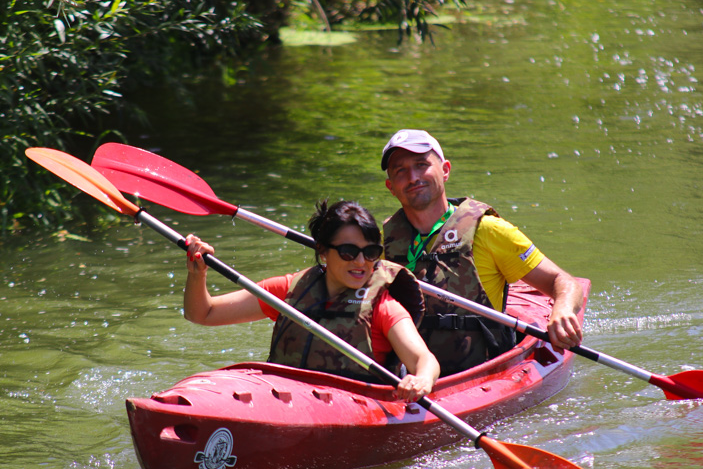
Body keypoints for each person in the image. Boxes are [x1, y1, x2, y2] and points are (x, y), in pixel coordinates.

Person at [183, 199, 441, 401]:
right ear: (323, 251)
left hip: (354, 407)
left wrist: (421, 380)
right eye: (348, 252)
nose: (361, 262)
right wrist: (198, 274)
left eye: (370, 252)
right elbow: (202, 314)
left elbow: (424, 360)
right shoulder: (290, 290)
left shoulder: (383, 306)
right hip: (285, 399)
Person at [380, 129, 585, 376]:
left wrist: (562, 310)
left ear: (445, 170)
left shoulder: (487, 230)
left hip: (483, 372)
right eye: (400, 170)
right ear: (391, 186)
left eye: (421, 164)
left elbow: (563, 281)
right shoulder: (382, 242)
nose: (413, 177)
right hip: (412, 377)